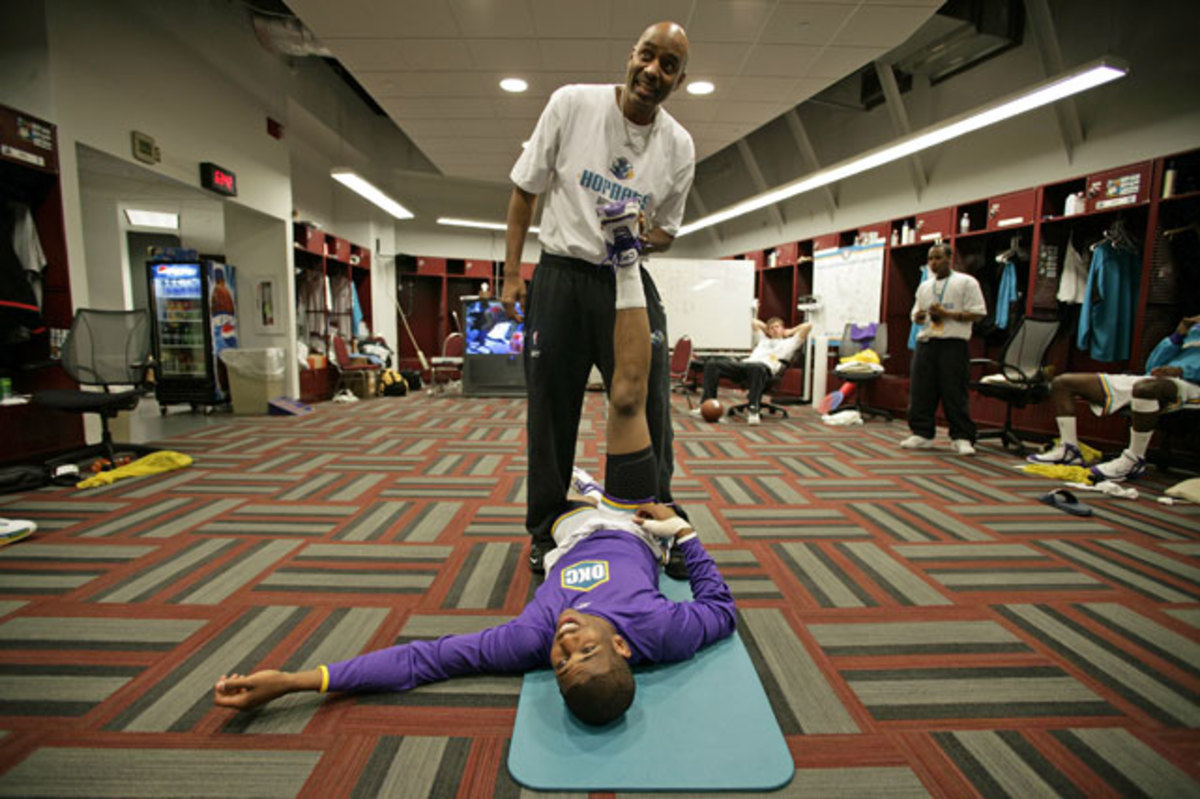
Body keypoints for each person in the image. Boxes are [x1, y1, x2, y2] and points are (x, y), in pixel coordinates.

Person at [213, 210, 736, 726]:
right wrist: (684, 534)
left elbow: (426, 661)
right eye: (586, 652)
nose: (566, 644)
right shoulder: (659, 631)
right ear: (621, 646)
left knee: (553, 452)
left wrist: (296, 681)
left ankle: (585, 486)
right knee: (627, 398)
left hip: (572, 526)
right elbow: (720, 609)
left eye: (560, 665)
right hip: (634, 522)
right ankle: (626, 261)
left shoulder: (531, 637)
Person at [500, 22, 695, 574]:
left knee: (648, 404)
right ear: (632, 55)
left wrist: (642, 233)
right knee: (551, 410)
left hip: (625, 279)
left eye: (669, 65)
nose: (653, 71)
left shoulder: (679, 145)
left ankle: (656, 520)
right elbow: (525, 191)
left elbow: (668, 232)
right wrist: (511, 273)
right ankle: (546, 528)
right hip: (561, 277)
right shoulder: (572, 104)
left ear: (679, 80)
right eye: (648, 56)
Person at [1028, 314, 1200, 481]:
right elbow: (1152, 366)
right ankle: (1069, 450)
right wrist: (1178, 335)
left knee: (1145, 389)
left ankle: (1134, 459)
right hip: (1161, 381)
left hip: (1193, 385)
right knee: (1062, 382)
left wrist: (1183, 371)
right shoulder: (1194, 329)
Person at [901, 242, 987, 455]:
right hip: (926, 342)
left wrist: (948, 314)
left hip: (953, 343)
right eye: (930, 258)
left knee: (954, 391)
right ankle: (922, 433)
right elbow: (916, 314)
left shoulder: (966, 282)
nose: (933, 263)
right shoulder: (925, 286)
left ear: (950, 259)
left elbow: (978, 314)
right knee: (921, 391)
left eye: (938, 257)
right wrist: (919, 317)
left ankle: (961, 437)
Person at [691, 317, 812, 424]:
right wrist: (768, 330)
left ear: (783, 328)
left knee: (757, 367)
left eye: (777, 326)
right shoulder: (763, 340)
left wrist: (789, 331)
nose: (774, 329)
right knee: (712, 364)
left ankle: (753, 409)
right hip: (745, 366)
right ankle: (706, 404)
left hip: (764, 370)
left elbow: (808, 326)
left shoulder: (790, 343)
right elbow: (754, 322)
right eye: (771, 328)